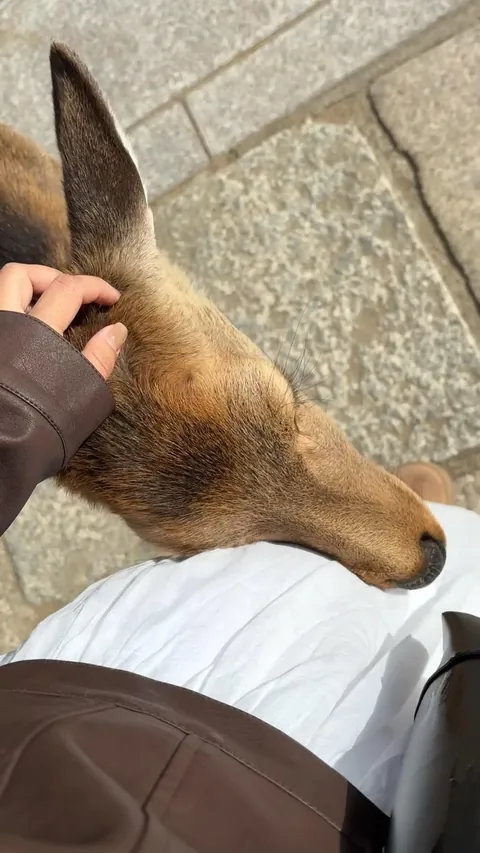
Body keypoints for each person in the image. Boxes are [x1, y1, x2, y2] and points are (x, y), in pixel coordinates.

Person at [0, 262, 472, 852]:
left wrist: (8, 430)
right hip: (308, 800)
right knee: (407, 600)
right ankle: (379, 535)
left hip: (77, 713)